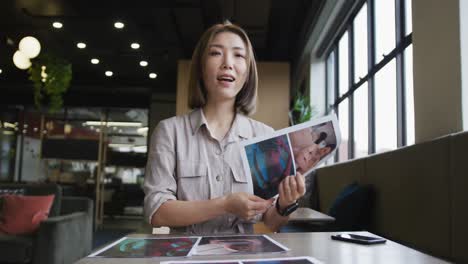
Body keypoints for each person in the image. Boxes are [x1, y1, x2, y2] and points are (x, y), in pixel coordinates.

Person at [143, 21, 305, 235]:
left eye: (238, 55)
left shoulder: (265, 136)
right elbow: (157, 213)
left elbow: (271, 222)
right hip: (187, 256)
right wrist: (225, 204)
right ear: (201, 68)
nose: (228, 63)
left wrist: (285, 204)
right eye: (216, 53)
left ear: (247, 73)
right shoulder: (169, 132)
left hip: (243, 255)